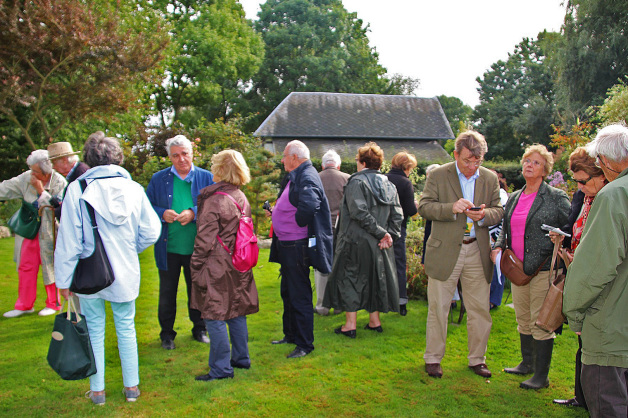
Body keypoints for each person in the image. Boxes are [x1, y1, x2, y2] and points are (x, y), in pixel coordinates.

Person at [54, 135, 161, 405]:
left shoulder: (77, 189)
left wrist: (63, 280)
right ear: (118, 157)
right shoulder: (133, 188)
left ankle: (98, 391)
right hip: (125, 269)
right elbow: (151, 230)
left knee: (95, 328)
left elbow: (69, 240)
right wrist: (130, 247)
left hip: (89, 270)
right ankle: (131, 388)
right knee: (126, 327)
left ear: (89, 158)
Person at [418, 131, 503, 379]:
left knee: (480, 309)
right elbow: (424, 207)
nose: (472, 166)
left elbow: (499, 211)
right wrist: (451, 208)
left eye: (477, 161)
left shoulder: (489, 178)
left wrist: (484, 215)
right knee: (438, 307)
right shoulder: (438, 174)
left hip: (477, 249)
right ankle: (433, 358)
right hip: (445, 250)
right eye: (467, 160)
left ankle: (477, 359)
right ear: (455, 154)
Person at [492, 144, 569, 389]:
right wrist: (499, 246)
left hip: (544, 269)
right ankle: (527, 364)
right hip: (517, 270)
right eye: (527, 161)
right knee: (523, 318)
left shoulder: (556, 197)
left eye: (536, 162)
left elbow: (570, 228)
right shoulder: (515, 197)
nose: (529, 165)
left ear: (545, 170)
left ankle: (541, 377)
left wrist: (561, 236)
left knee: (540, 321)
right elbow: (505, 228)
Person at [564, 124, 628, 418]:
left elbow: (594, 268)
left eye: (600, 161)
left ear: (609, 161)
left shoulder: (614, 195)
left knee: (608, 405)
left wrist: (575, 313)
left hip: (612, 331)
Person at [190, 150, 259, 381]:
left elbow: (204, 240)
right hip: (239, 261)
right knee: (236, 310)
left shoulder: (215, 200)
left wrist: (196, 265)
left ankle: (221, 369)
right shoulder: (240, 196)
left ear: (220, 169)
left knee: (214, 314)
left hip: (217, 264)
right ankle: (241, 358)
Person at [324, 142, 403, 337]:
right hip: (378, 243)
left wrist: (383, 235)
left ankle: (350, 325)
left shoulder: (356, 182)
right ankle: (374, 322)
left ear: (363, 162)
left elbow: (358, 212)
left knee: (349, 279)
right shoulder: (389, 184)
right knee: (374, 278)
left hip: (355, 240)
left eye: (357, 160)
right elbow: (397, 214)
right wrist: (388, 235)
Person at [146, 135, 214, 350]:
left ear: (192, 153)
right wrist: (161, 213)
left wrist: (193, 212)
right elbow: (145, 207)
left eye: (185, 154)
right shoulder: (158, 179)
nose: (181, 159)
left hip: (198, 247)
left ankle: (200, 329)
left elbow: (216, 205)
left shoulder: (207, 177)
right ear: (170, 157)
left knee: (198, 291)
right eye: (175, 155)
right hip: (169, 247)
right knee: (167, 293)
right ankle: (167, 334)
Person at [551, 147, 607, 409]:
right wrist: (563, 239)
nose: (580, 187)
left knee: (597, 346)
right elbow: (575, 229)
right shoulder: (584, 197)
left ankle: (597, 401)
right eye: (577, 182)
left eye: (584, 181)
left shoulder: (610, 199)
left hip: (600, 281)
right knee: (583, 342)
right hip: (577, 273)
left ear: (602, 174)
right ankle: (582, 397)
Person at [268, 140, 333, 359]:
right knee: (288, 292)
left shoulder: (307, 175)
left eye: (284, 156)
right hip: (287, 244)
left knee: (299, 295)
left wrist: (295, 222)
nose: (282, 160)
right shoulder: (297, 174)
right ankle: (291, 335)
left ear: (295, 157)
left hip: (296, 245)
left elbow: (310, 204)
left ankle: (305, 344)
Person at [1, 149, 67, 317]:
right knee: (25, 266)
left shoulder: (59, 181)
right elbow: (6, 188)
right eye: (31, 170)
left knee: (50, 265)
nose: (32, 174)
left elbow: (55, 206)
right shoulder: (26, 177)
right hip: (30, 228)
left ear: (46, 172)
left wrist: (40, 190)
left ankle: (53, 303)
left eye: (35, 171)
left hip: (50, 229)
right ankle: (24, 305)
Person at [314, 149, 349, 316]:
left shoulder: (315, 178)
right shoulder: (348, 179)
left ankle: (322, 305)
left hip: (320, 228)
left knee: (321, 266)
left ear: (323, 165)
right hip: (341, 228)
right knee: (340, 265)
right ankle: (338, 304)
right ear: (338, 165)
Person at [385, 151, 418, 317]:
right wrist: (417, 205)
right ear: (407, 167)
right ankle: (401, 302)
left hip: (380, 226)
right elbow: (411, 210)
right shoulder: (405, 183)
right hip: (398, 227)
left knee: (381, 263)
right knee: (398, 263)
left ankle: (381, 299)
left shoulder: (383, 179)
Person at [48, 139, 91, 220]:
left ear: (64, 160)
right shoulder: (78, 172)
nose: (53, 167)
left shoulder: (80, 174)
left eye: (54, 163)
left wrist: (57, 211)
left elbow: (80, 207)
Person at [489, 170, 509, 309]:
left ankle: (493, 301)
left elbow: (505, 219)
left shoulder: (501, 195)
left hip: (496, 238)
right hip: (487, 236)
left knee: (496, 270)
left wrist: (497, 238)